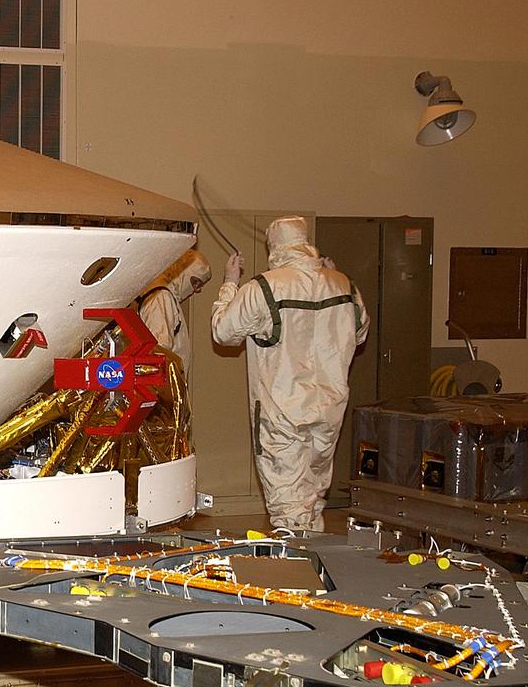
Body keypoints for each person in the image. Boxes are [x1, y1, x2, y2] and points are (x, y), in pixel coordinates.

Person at [210, 216, 369, 531]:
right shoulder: (344, 285)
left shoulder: (264, 287)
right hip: (329, 410)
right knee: (313, 497)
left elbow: (223, 332)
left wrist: (230, 284)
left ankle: (295, 570)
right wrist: (333, 276)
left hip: (281, 414)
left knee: (288, 507)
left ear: (274, 246)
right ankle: (315, 565)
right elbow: (359, 332)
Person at [136, 249, 211, 383]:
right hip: (164, 388)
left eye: (200, 285)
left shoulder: (165, 297)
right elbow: (159, 351)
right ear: (181, 272)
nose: (196, 289)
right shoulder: (162, 298)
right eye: (195, 282)